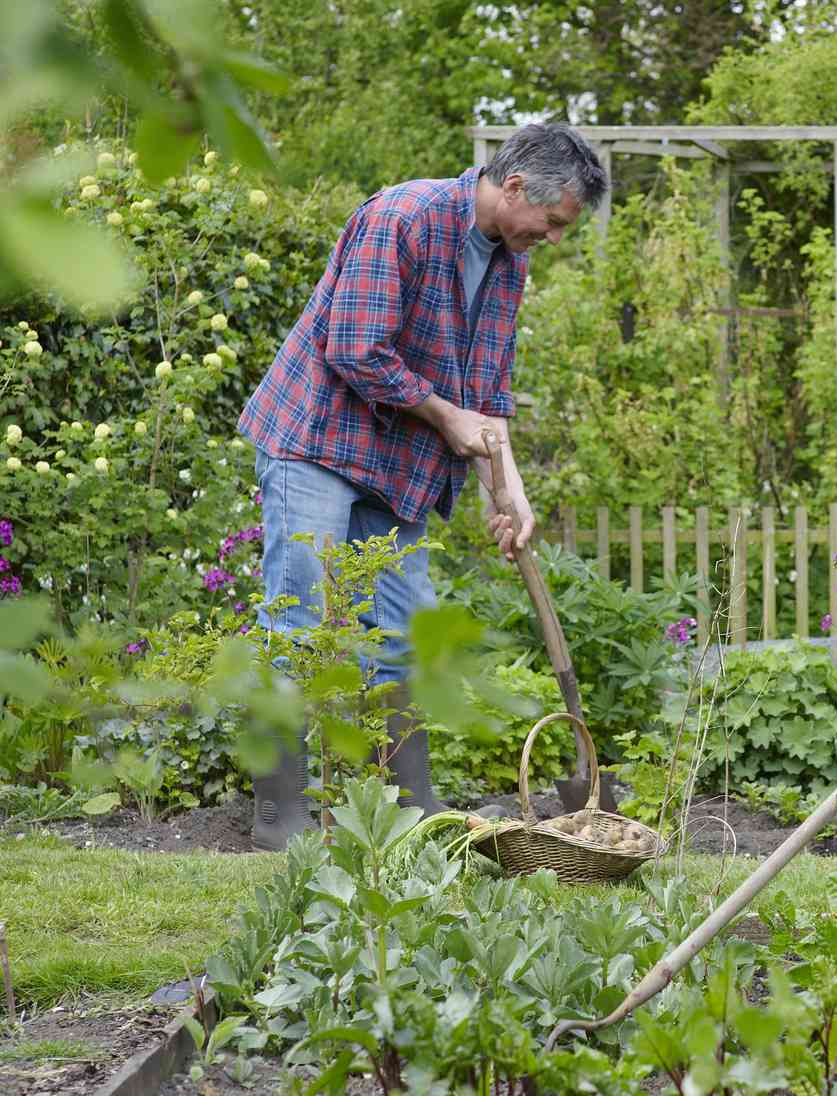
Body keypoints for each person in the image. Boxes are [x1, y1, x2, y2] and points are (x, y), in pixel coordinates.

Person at [237, 123, 608, 851]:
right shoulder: (403, 219)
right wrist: (446, 415)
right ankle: (279, 814)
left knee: (405, 631)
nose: (554, 237)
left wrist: (512, 491)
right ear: (513, 188)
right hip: (318, 440)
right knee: (301, 620)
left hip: (396, 466)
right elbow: (355, 347)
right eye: (554, 220)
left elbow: (487, 390)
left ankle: (406, 806)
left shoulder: (508, 264)